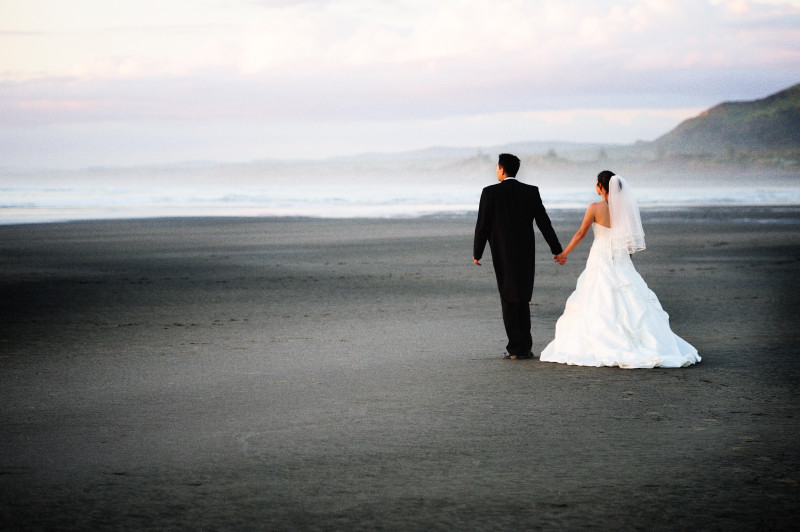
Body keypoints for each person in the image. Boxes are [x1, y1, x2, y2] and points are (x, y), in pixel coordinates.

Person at [540, 170, 700, 368]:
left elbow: (580, 233)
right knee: (631, 297)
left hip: (600, 257)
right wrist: (626, 259)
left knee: (597, 296)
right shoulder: (625, 210)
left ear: (601, 186)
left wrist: (564, 253)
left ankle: (605, 339)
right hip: (621, 257)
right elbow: (629, 241)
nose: (595, 187)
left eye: (596, 183)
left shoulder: (594, 208)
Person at [473, 153, 563, 360]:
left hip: (502, 252)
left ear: (502, 170)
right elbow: (544, 223)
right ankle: (525, 347)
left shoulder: (489, 192)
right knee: (522, 297)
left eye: (497, 168)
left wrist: (477, 252)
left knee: (507, 297)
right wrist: (556, 249)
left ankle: (515, 348)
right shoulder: (530, 191)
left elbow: (482, 226)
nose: (496, 171)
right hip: (525, 252)